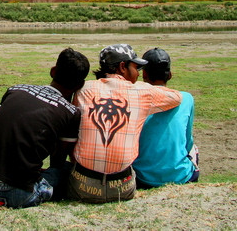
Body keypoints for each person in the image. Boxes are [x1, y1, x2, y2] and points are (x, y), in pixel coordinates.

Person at [0, 48, 90, 208]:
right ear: (80, 84)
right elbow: (57, 161)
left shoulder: (16, 90)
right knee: (65, 170)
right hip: (18, 194)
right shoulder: (71, 113)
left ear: (53, 71)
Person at [68, 44, 182, 203]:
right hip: (122, 188)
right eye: (136, 68)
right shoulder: (142, 92)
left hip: (82, 184)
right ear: (123, 67)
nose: (138, 73)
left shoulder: (84, 89)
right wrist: (143, 87)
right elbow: (176, 97)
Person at [132, 48, 199, 187]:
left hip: (141, 176)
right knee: (194, 149)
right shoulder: (186, 99)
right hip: (180, 176)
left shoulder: (134, 98)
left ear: (144, 74)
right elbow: (188, 141)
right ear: (170, 75)